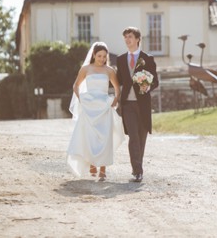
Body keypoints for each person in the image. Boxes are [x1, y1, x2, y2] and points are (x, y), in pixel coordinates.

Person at [67, 42, 125, 181]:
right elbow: (76, 85)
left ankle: (103, 169)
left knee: (105, 137)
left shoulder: (109, 70)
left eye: (104, 56)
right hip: (90, 107)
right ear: (93, 55)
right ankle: (92, 163)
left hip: (104, 107)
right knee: (91, 137)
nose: (102, 59)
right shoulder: (86, 69)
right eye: (99, 56)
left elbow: (117, 88)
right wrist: (82, 100)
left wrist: (115, 100)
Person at [116, 26, 159, 183]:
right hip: (127, 104)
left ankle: (137, 167)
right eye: (125, 37)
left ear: (137, 39)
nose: (127, 40)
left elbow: (155, 81)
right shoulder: (120, 59)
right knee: (133, 137)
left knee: (141, 137)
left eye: (130, 37)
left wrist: (148, 86)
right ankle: (137, 171)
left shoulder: (148, 58)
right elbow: (118, 80)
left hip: (143, 105)